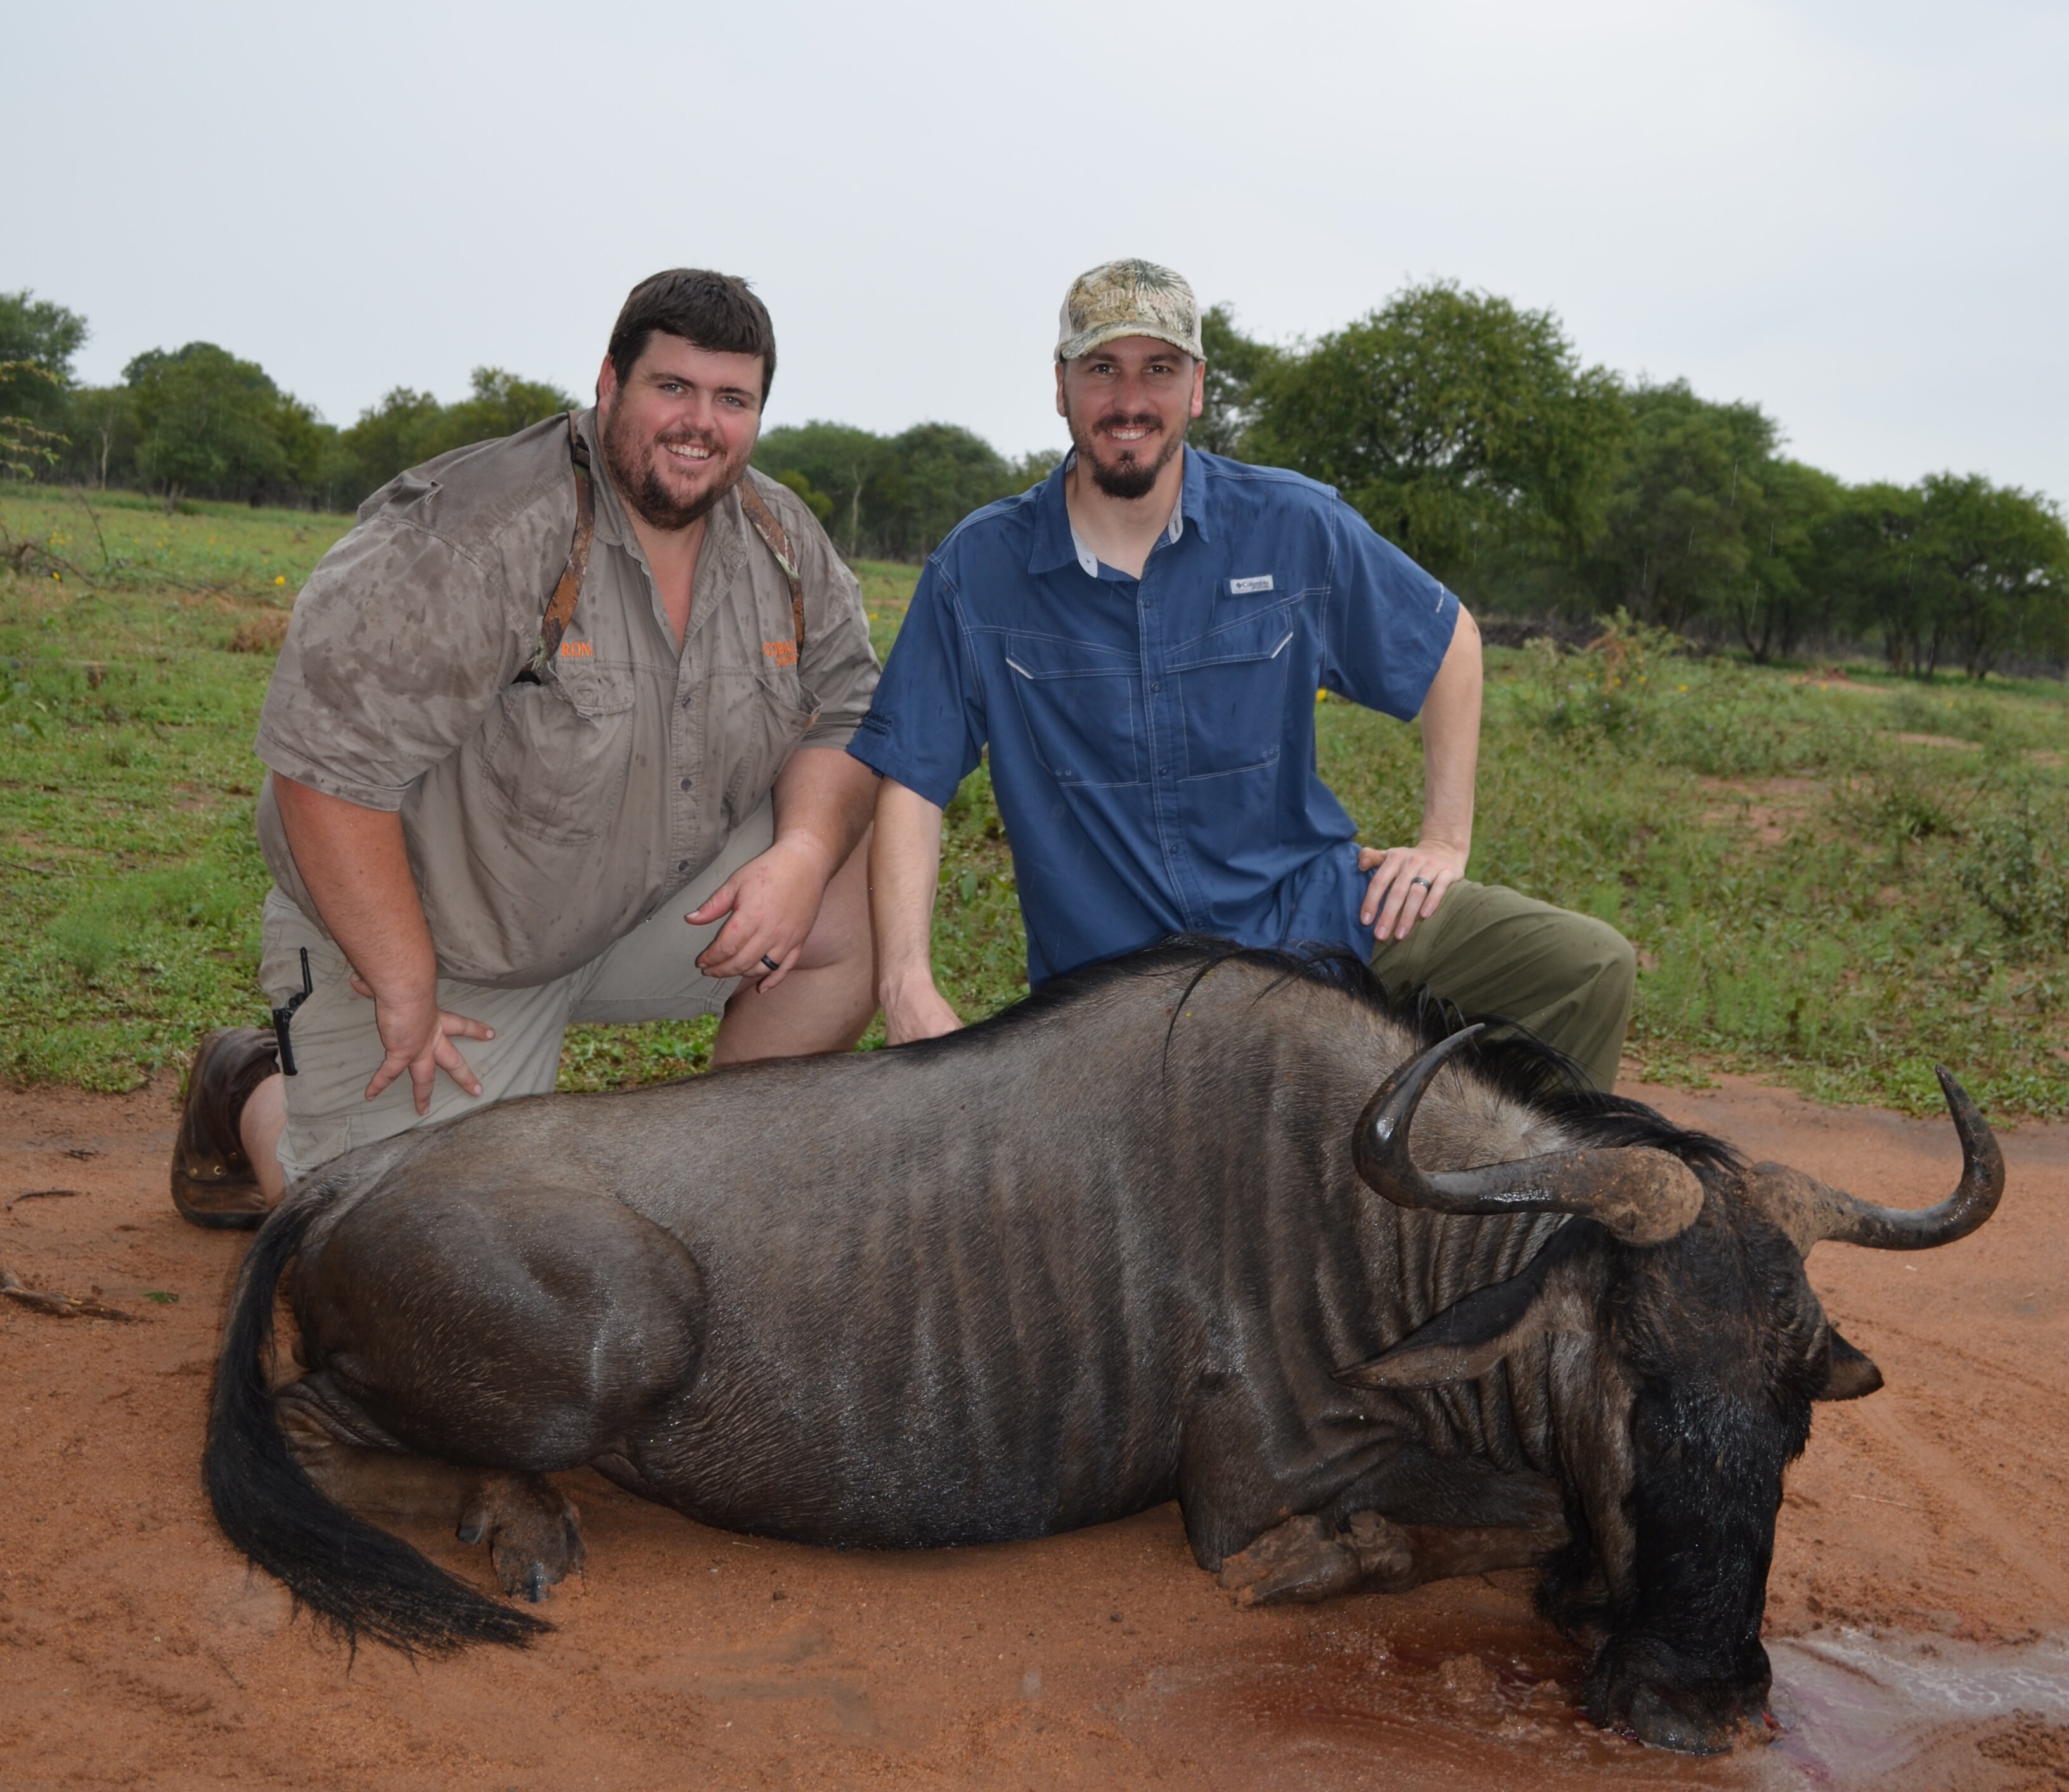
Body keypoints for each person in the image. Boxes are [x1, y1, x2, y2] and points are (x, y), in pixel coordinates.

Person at [171, 268, 882, 1228]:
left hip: (637, 902)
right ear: (609, 381)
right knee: (404, 1265)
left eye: (732, 399)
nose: (699, 423)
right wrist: (405, 980)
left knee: (852, 882)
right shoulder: (483, 529)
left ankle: (719, 1206)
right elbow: (323, 765)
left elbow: (847, 712)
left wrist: (799, 856)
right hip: (439, 943)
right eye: (672, 386)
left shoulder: (779, 536)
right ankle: (249, 1090)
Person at [857, 256, 1636, 1084]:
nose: (1129, 401)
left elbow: (1450, 642)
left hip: (1320, 923)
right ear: (1062, 387)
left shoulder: (1293, 525)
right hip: (1120, 991)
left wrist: (1444, 841)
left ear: (1196, 387)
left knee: (1587, 968)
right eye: (1101, 370)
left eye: (1159, 369)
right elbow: (914, 778)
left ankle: (1515, 1205)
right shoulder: (978, 569)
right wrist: (905, 983)